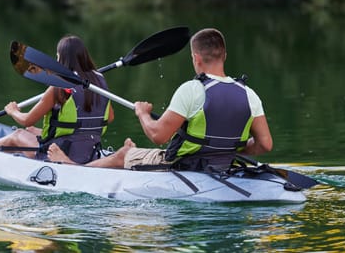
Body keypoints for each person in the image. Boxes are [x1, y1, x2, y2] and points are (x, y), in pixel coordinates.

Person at [48, 28, 272, 171]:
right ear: (224, 56)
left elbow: (157, 136)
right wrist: (226, 152)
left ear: (195, 58)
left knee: (125, 154)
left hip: (182, 166)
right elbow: (265, 144)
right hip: (224, 165)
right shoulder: (249, 93)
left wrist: (142, 114)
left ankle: (71, 167)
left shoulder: (192, 89)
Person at [0, 35, 115, 164]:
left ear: (61, 59)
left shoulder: (58, 87)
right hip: (91, 153)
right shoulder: (99, 83)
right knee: (31, 130)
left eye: (57, 56)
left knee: (18, 134)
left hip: (58, 153)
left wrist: (13, 111)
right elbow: (109, 118)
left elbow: (26, 120)